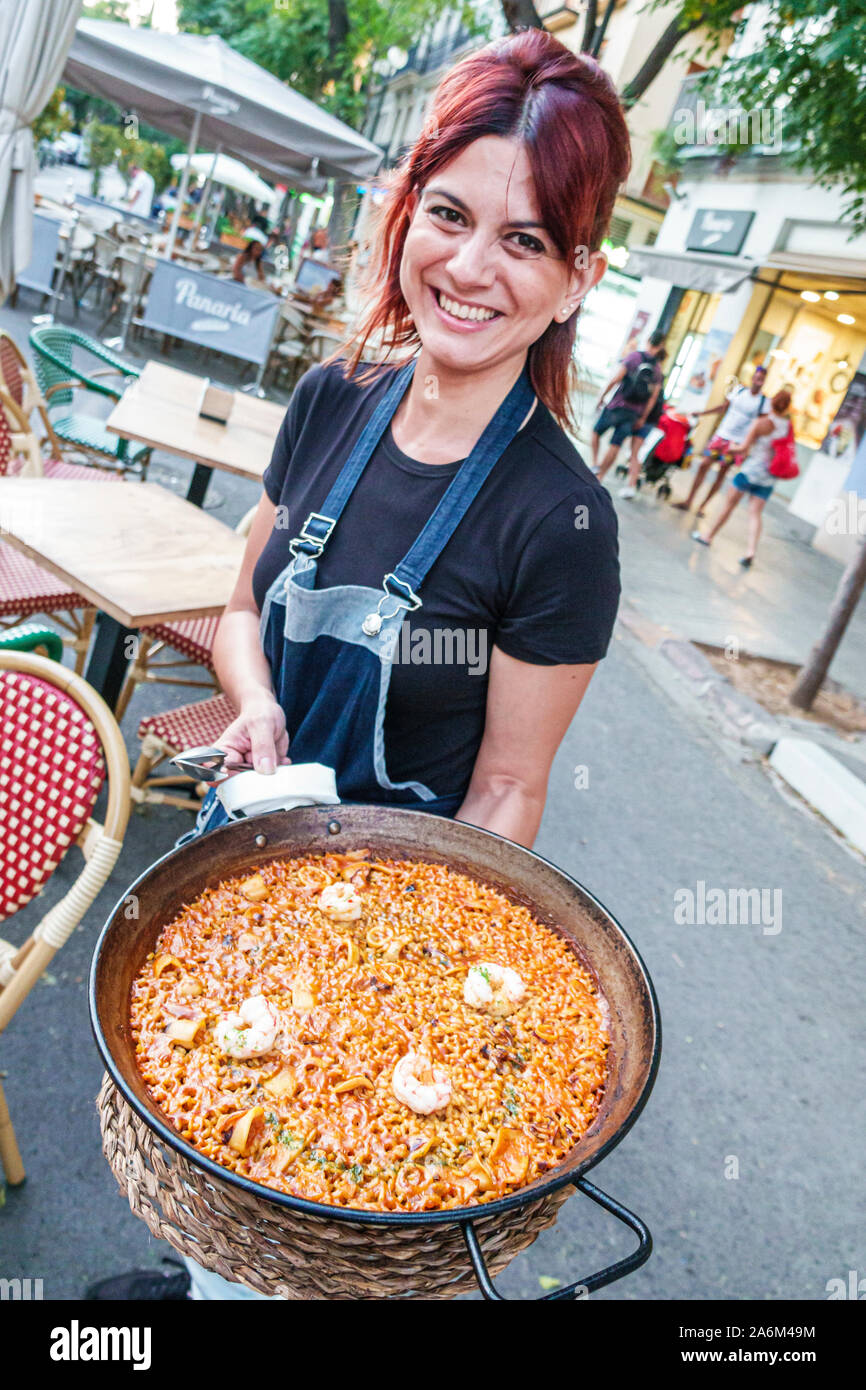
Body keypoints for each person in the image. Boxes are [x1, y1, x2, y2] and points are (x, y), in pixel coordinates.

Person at [86, 25, 627, 1302]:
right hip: (237, 850)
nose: (470, 266)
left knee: (303, 1234)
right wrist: (258, 698)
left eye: (525, 240)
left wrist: (411, 991)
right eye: (449, 214)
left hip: (388, 930)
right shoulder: (335, 396)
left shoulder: (561, 524)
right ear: (405, 210)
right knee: (197, 1150)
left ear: (574, 275)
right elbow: (235, 603)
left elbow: (504, 794)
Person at [691, 389, 793, 566]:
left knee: (728, 506)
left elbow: (743, 448)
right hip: (768, 477)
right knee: (755, 514)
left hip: (750, 471)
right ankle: (751, 551)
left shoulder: (761, 423)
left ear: (773, 402)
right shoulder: (787, 427)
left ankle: (708, 536)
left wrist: (730, 448)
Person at [672, 364, 768, 515]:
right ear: (753, 378)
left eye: (761, 380)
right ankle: (689, 500)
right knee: (704, 465)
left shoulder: (763, 402)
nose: (758, 382)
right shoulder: (740, 391)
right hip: (722, 436)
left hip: (735, 443)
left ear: (764, 381)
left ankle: (703, 506)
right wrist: (702, 413)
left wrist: (747, 446)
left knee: (721, 473)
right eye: (756, 378)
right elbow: (723, 408)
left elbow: (759, 427)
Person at [591, 330, 666, 483]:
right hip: (634, 413)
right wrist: (643, 417)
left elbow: (617, 378)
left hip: (617, 405)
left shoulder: (634, 357)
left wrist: (603, 396)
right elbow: (652, 399)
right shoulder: (658, 370)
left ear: (648, 341)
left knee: (596, 432)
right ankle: (600, 476)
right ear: (660, 346)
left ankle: (594, 463)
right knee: (616, 444)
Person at [618, 347, 667, 499]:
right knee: (635, 453)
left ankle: (630, 484)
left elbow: (651, 400)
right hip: (649, 420)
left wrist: (642, 418)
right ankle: (631, 484)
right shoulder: (658, 376)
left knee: (633, 453)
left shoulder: (651, 375)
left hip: (642, 418)